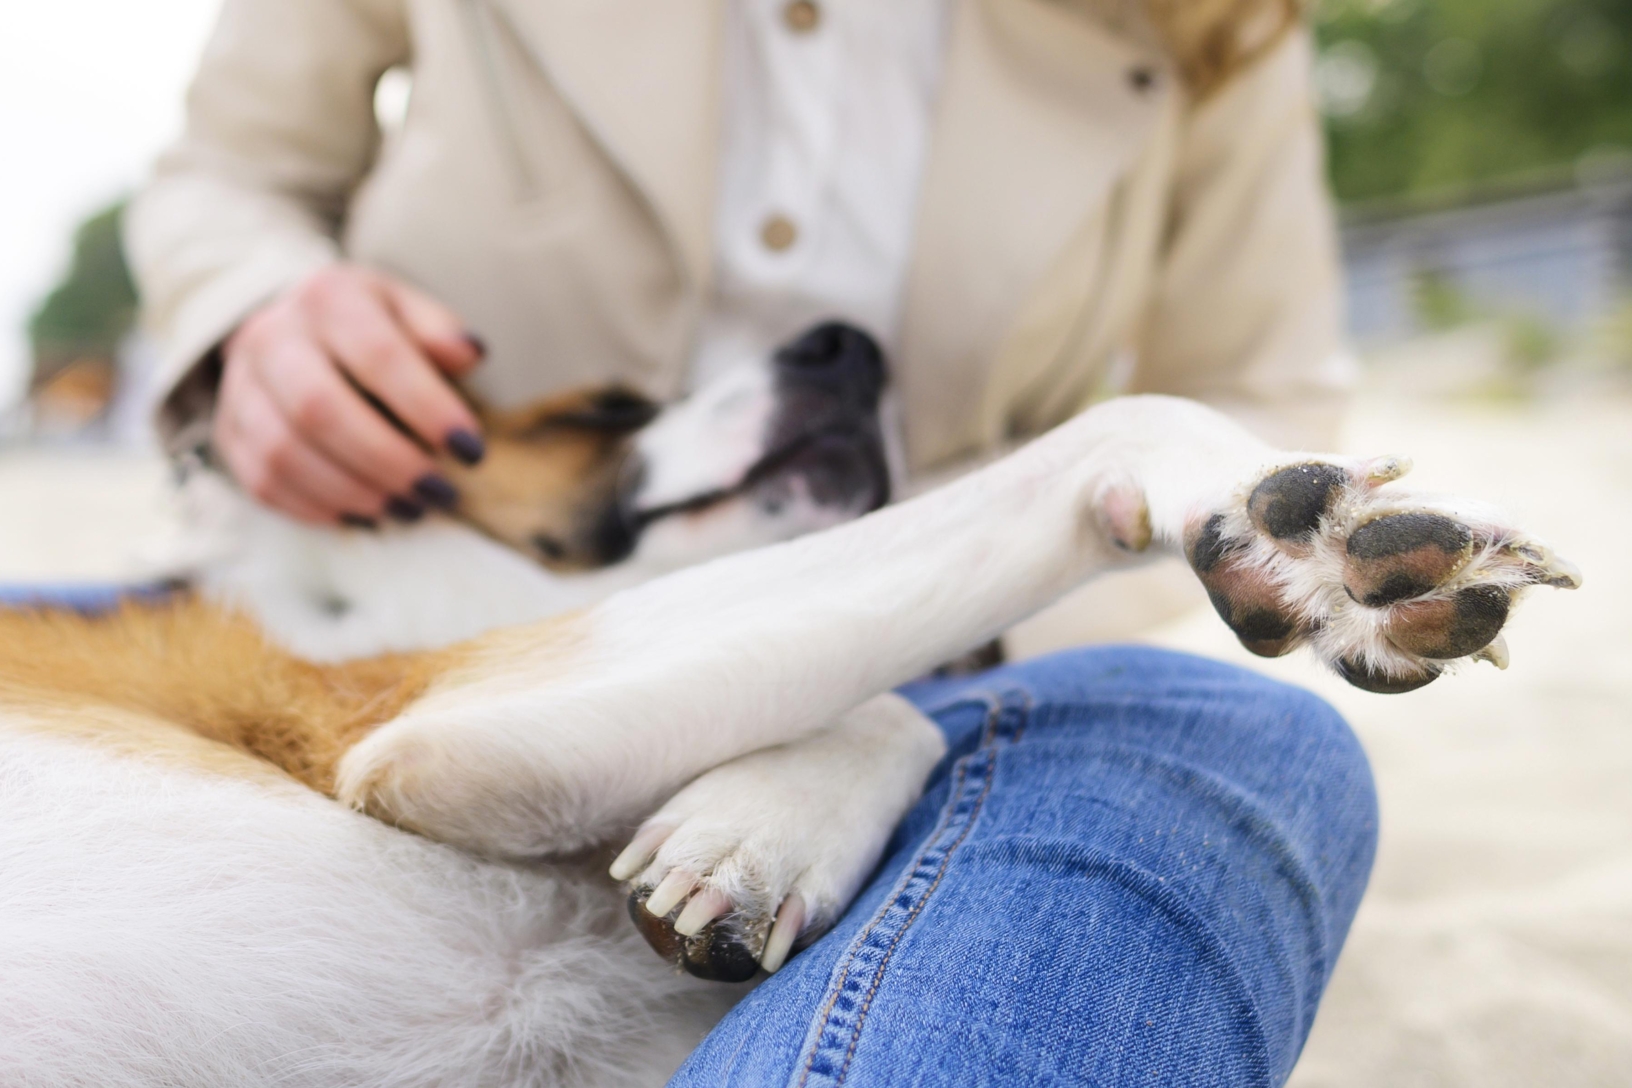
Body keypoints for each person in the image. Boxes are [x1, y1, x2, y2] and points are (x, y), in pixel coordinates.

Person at [126, 1, 1375, 1084]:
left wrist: (936, 619)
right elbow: (230, 172)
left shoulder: (1218, 23)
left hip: (933, 639)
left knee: (1250, 737)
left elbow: (1260, 404)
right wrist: (260, 309)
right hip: (406, 585)